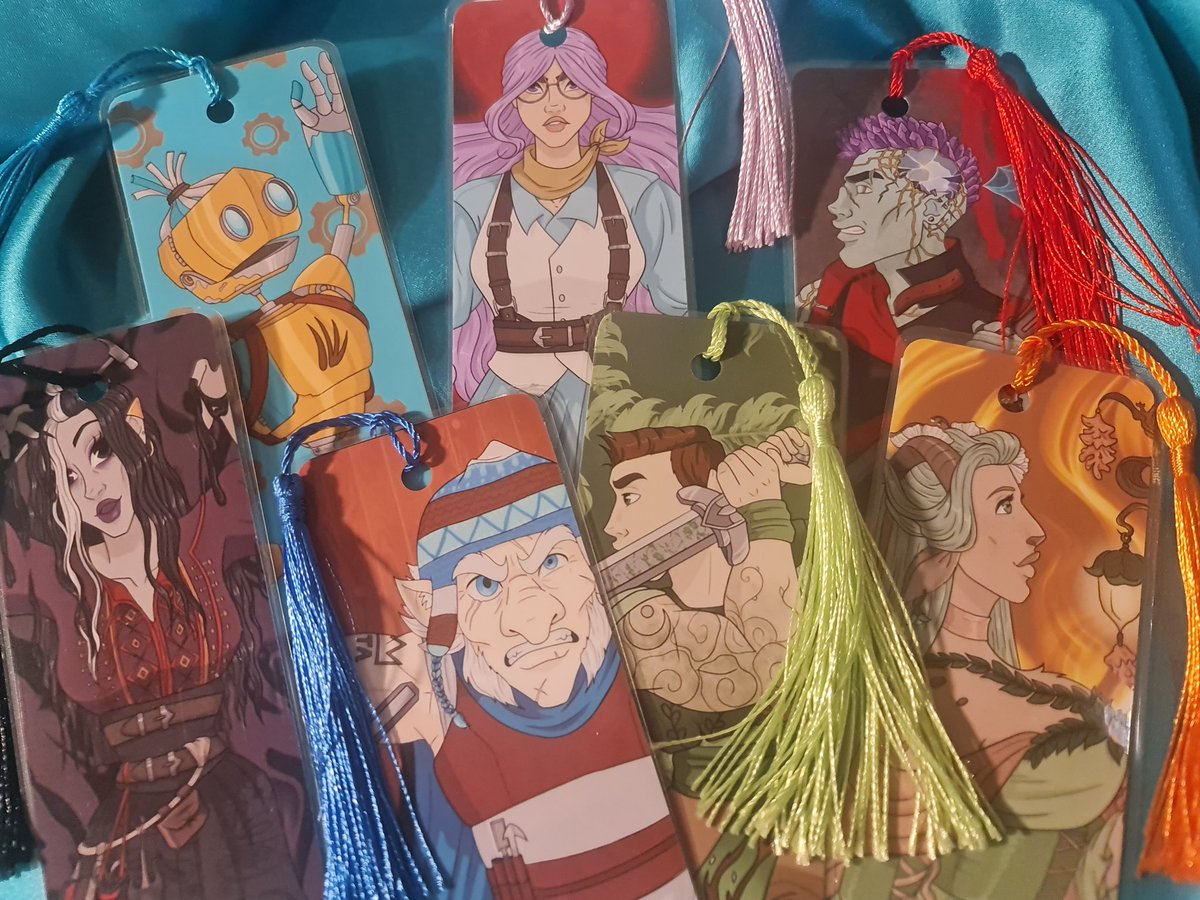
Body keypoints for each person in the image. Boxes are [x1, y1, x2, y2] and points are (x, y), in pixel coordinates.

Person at [0, 362, 308, 897]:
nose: (91, 487)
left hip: (233, 804)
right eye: (68, 477)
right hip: (132, 831)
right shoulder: (58, 582)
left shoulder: (199, 536)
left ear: (136, 439)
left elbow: (235, 479)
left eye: (99, 451)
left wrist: (216, 406)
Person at [363, 441, 692, 899]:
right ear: (438, 611)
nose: (534, 622)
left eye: (552, 561)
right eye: (484, 584)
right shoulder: (440, 714)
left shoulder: (655, 658)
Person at [836, 419, 1128, 899]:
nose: (1035, 531)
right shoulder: (915, 699)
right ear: (940, 534)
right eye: (1004, 506)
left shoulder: (1041, 687)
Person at [452, 27, 687, 465]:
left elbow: (682, 312)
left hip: (616, 395)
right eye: (535, 87)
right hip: (509, 398)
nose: (553, 103)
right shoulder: (471, 204)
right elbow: (453, 316)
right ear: (514, 100)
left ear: (594, 93)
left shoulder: (643, 194)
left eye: (571, 85)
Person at [797, 113, 1015, 462]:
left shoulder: (1004, 324)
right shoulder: (825, 298)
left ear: (934, 208)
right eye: (846, 189)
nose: (837, 208)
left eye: (865, 188)